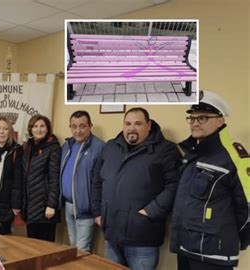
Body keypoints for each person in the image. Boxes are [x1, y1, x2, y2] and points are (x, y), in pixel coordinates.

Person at [92, 107, 181, 270]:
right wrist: (98, 212)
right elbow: (97, 181)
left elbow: (174, 186)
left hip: (142, 237)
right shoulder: (111, 147)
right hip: (111, 234)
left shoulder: (166, 150)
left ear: (149, 125)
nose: (131, 128)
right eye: (127, 123)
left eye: (138, 123)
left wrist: (150, 211)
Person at [170, 91, 250, 270]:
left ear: (220, 121)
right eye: (192, 118)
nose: (195, 123)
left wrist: (232, 241)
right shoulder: (192, 153)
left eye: (203, 118)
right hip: (186, 247)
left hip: (213, 255)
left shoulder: (234, 157)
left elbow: (248, 208)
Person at [60, 110, 104, 252]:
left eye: (82, 126)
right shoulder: (67, 146)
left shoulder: (99, 147)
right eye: (74, 126)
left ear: (90, 126)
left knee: (81, 250)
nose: (78, 131)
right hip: (68, 205)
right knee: (73, 246)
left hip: (85, 208)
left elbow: (101, 181)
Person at [22, 114, 61, 242]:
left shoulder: (53, 147)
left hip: (45, 208)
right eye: (35, 126)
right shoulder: (27, 146)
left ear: (48, 128)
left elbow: (54, 178)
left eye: (42, 126)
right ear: (31, 129)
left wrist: (51, 204)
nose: (39, 129)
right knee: (31, 245)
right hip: (30, 206)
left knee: (46, 248)